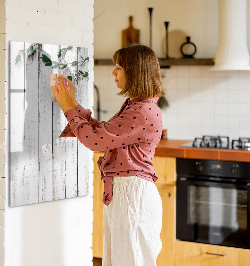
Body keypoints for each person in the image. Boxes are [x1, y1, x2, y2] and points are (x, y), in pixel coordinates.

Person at [51, 44, 164, 266]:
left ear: (135, 71)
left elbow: (95, 141)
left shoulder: (141, 111)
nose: (113, 72)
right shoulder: (137, 106)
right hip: (126, 193)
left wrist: (67, 108)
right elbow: (103, 133)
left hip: (132, 195)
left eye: (119, 67)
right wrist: (73, 103)